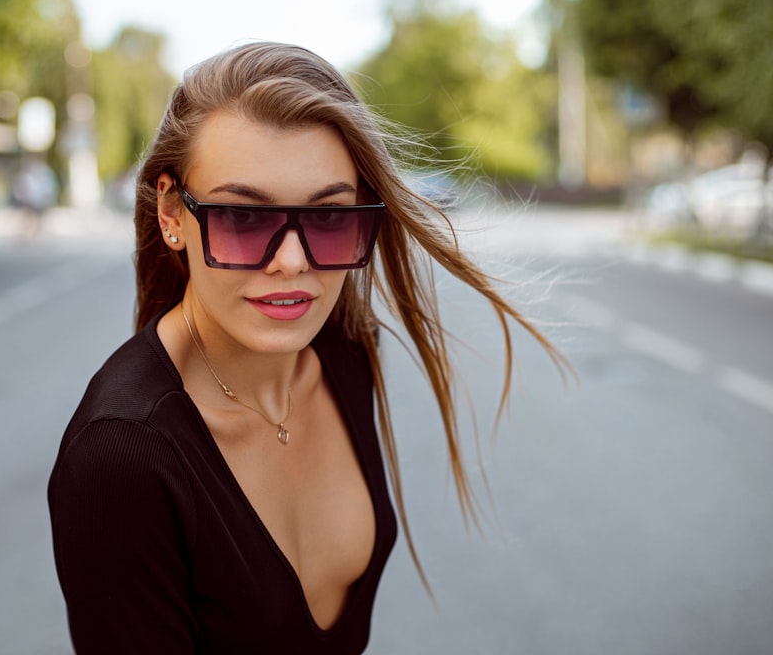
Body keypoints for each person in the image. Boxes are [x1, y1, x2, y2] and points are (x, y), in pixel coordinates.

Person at [47, 42, 563, 654]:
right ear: (172, 214)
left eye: (327, 218)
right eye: (243, 218)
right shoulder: (120, 455)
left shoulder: (344, 350)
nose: (292, 261)